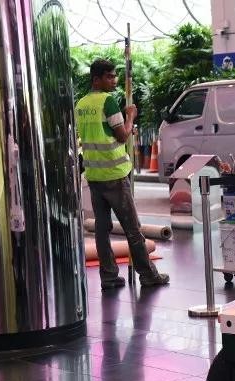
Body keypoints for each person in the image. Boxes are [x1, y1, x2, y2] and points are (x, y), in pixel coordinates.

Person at [75, 59, 169, 290]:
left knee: (102, 230)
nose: (114, 80)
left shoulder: (81, 104)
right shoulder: (107, 102)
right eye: (109, 76)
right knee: (132, 228)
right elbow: (122, 135)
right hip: (115, 174)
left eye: (115, 76)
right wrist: (130, 116)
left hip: (94, 176)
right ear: (96, 79)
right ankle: (148, 274)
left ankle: (108, 277)